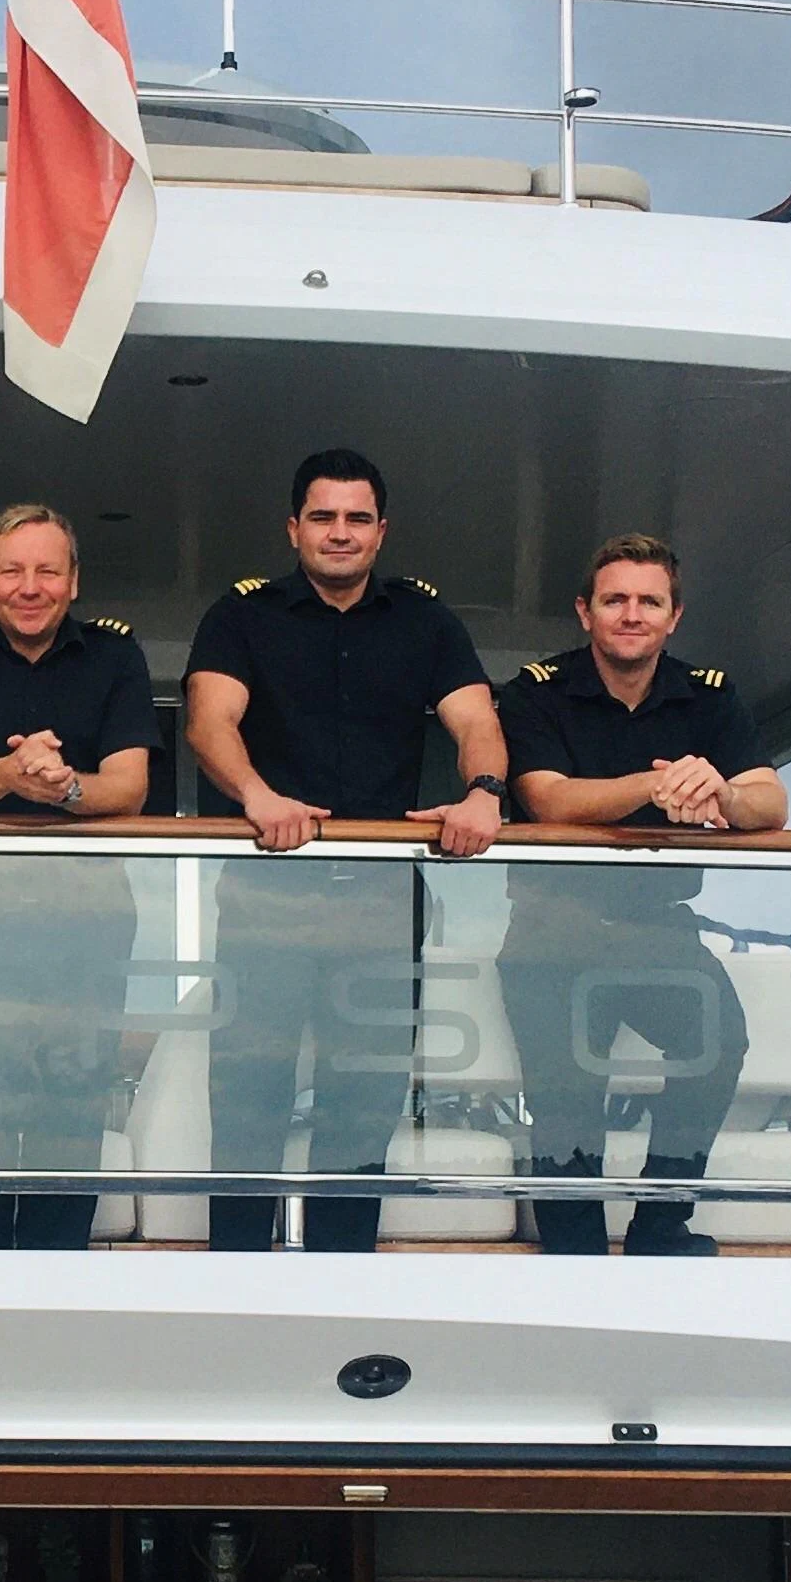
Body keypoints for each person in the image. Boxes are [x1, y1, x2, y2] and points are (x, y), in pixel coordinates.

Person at [179, 447, 505, 1252]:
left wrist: (484, 792)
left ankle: (341, 1277)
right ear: (293, 528)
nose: (340, 532)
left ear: (381, 531)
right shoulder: (242, 616)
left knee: (364, 1101)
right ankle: (235, 1280)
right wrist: (256, 795)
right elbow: (209, 722)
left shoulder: (426, 621)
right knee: (247, 1094)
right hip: (268, 890)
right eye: (323, 517)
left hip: (381, 901)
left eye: (357, 518)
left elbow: (475, 720)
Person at [497, 531, 785, 1258]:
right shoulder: (535, 691)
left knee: (717, 1046)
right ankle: (576, 1260)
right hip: (552, 929)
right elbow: (549, 800)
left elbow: (770, 803)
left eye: (650, 602)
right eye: (615, 599)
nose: (632, 614)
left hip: (659, 927)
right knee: (566, 1102)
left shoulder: (708, 694)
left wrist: (722, 792)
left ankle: (661, 1223)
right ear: (584, 611)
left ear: (674, 616)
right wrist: (658, 785)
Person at [0, 504, 158, 1248]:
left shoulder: (116, 655)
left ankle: (56, 1283)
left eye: (47, 570)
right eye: (12, 570)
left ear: (74, 581)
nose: (30, 586)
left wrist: (65, 787)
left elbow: (129, 787)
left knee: (71, 1122)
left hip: (89, 935)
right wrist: (11, 774)